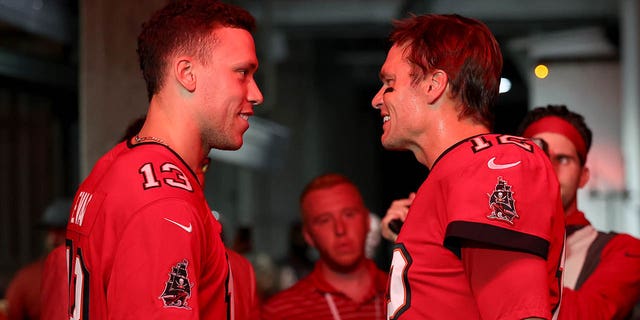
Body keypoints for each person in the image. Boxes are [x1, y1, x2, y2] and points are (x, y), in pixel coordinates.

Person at [64, 0, 263, 318]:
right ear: (187, 74)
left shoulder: (120, 163)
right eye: (242, 73)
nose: (256, 93)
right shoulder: (165, 204)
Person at [372, 14, 565, 319]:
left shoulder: (492, 163)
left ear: (433, 85)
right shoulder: (455, 171)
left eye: (389, 84)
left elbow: (518, 313)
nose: (376, 99)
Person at [518, 104, 640, 320]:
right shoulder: (494, 244)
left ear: (584, 176)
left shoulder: (623, 250)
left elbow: (593, 314)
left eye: (563, 159)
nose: (549, 168)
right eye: (539, 156)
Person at [261, 173, 387, 320]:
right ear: (308, 236)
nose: (340, 230)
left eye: (349, 214)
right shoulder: (279, 313)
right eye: (324, 220)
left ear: (367, 222)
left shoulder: (406, 294)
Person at [5, 198, 70, 320]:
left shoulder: (94, 274)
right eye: (49, 232)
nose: (53, 239)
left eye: (61, 231)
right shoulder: (28, 279)